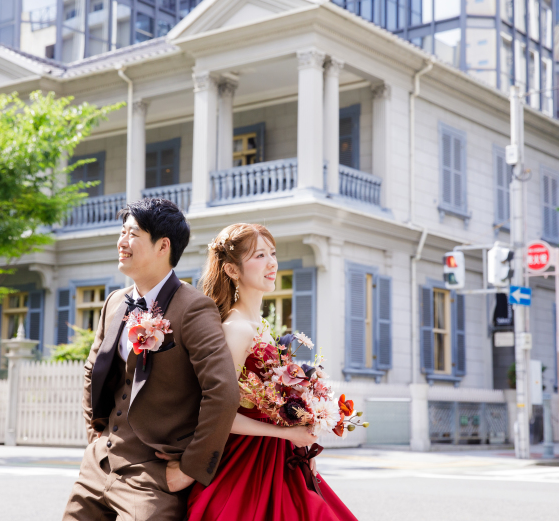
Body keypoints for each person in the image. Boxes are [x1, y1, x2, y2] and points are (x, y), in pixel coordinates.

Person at [62, 199, 240, 521]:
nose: (121, 242)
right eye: (122, 232)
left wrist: (191, 469)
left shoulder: (193, 308)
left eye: (133, 234)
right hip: (97, 466)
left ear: (163, 246)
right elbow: (92, 371)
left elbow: (223, 391)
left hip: (153, 475)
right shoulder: (115, 302)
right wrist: (96, 437)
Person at [187, 223, 358, 521]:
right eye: (259, 256)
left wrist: (301, 424)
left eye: (273, 253)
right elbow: (216, 413)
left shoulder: (261, 328)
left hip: (280, 457)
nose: (272, 263)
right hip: (245, 465)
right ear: (232, 270)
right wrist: (284, 433)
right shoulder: (236, 329)